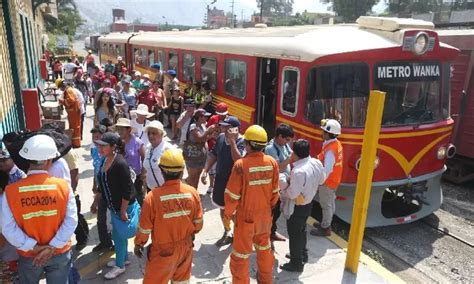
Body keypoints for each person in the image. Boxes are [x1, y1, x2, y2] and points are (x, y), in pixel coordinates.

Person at [1, 135, 77, 283]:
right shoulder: (63, 187)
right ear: (49, 161)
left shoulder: (10, 192)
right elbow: (71, 221)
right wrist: (51, 247)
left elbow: (7, 228)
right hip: (59, 252)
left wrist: (33, 247)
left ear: (27, 160)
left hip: (29, 255)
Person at [134, 148, 203, 284]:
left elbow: (144, 229)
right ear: (182, 170)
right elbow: (198, 223)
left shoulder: (152, 198)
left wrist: (139, 244)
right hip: (186, 247)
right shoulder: (192, 192)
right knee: (182, 281)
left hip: (162, 252)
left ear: (161, 170)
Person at [224, 125, 279, 283]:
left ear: (247, 144)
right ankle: (266, 280)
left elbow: (232, 196)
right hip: (265, 217)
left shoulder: (241, 165)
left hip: (245, 218)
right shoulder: (272, 163)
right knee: (264, 251)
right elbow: (275, 193)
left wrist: (228, 215)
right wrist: (268, 210)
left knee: (240, 256)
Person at [91, 132, 139, 279]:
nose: (100, 148)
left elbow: (127, 190)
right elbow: (101, 185)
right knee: (120, 235)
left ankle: (120, 266)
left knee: (118, 236)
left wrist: (123, 210)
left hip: (123, 207)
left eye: (104, 146)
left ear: (113, 147)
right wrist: (95, 202)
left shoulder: (120, 164)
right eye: (100, 145)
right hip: (114, 207)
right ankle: (123, 258)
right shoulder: (105, 160)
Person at [280, 139, 325, 272]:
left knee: (294, 234)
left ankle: (296, 263)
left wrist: (284, 185)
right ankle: (301, 254)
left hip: (297, 207)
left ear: (295, 153)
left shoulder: (298, 171)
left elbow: (292, 194)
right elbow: (322, 180)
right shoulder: (316, 162)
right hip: (308, 204)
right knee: (302, 230)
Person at [201, 116, 244, 246]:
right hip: (220, 180)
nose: (223, 128)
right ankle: (227, 231)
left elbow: (239, 161)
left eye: (226, 127)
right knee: (222, 207)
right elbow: (214, 154)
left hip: (235, 183)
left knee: (235, 211)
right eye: (223, 126)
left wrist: (232, 142)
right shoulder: (220, 138)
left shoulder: (242, 142)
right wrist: (206, 170)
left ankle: (238, 234)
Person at [310, 119, 343, 237]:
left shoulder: (330, 150)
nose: (322, 133)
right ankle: (326, 223)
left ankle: (325, 228)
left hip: (328, 181)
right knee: (330, 203)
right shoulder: (335, 144)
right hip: (334, 180)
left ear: (328, 134)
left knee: (326, 204)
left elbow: (328, 168)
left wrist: (321, 181)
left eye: (323, 131)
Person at [265, 123, 295, 242]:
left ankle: (272, 231)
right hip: (274, 186)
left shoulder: (285, 145)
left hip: (284, 185)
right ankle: (267, 235)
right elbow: (277, 168)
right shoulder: (270, 149)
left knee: (278, 211)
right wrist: (290, 159)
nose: (288, 142)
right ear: (280, 136)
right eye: (286, 139)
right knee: (273, 211)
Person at [89, 125, 114, 252]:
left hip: (109, 190)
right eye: (93, 137)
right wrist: (94, 183)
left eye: (98, 137)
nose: (95, 140)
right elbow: (96, 169)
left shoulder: (108, 154)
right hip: (100, 188)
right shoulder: (94, 151)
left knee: (110, 219)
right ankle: (104, 242)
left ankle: (115, 243)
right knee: (101, 218)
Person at [115, 118, 146, 206]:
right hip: (121, 175)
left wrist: (143, 171)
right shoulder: (117, 142)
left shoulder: (137, 142)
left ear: (128, 130)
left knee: (137, 196)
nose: (120, 131)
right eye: (118, 129)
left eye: (122, 129)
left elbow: (144, 157)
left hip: (136, 176)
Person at [183, 109, 215, 190]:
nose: (207, 118)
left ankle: (195, 192)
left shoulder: (203, 125)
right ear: (199, 117)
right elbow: (199, 139)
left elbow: (204, 138)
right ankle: (189, 194)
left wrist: (211, 135)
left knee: (197, 176)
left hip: (201, 157)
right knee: (192, 177)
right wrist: (208, 131)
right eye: (205, 116)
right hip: (193, 156)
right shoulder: (193, 126)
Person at [142, 121, 173, 193]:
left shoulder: (168, 149)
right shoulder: (148, 147)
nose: (150, 136)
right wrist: (144, 187)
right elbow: (146, 170)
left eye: (154, 133)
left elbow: (178, 171)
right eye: (149, 133)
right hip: (151, 190)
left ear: (161, 134)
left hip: (165, 190)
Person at [204, 102, 229, 194]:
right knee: (211, 169)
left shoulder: (230, 121)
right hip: (212, 147)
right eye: (220, 114)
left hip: (224, 149)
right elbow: (206, 133)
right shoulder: (213, 119)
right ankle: (211, 186)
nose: (221, 117)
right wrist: (211, 135)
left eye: (223, 115)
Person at [57, 79, 82, 148]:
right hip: (72, 112)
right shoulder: (67, 90)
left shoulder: (68, 90)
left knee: (75, 128)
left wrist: (62, 101)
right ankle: (74, 142)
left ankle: (76, 144)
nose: (61, 90)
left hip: (74, 112)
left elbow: (71, 100)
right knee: (73, 127)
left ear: (62, 86)